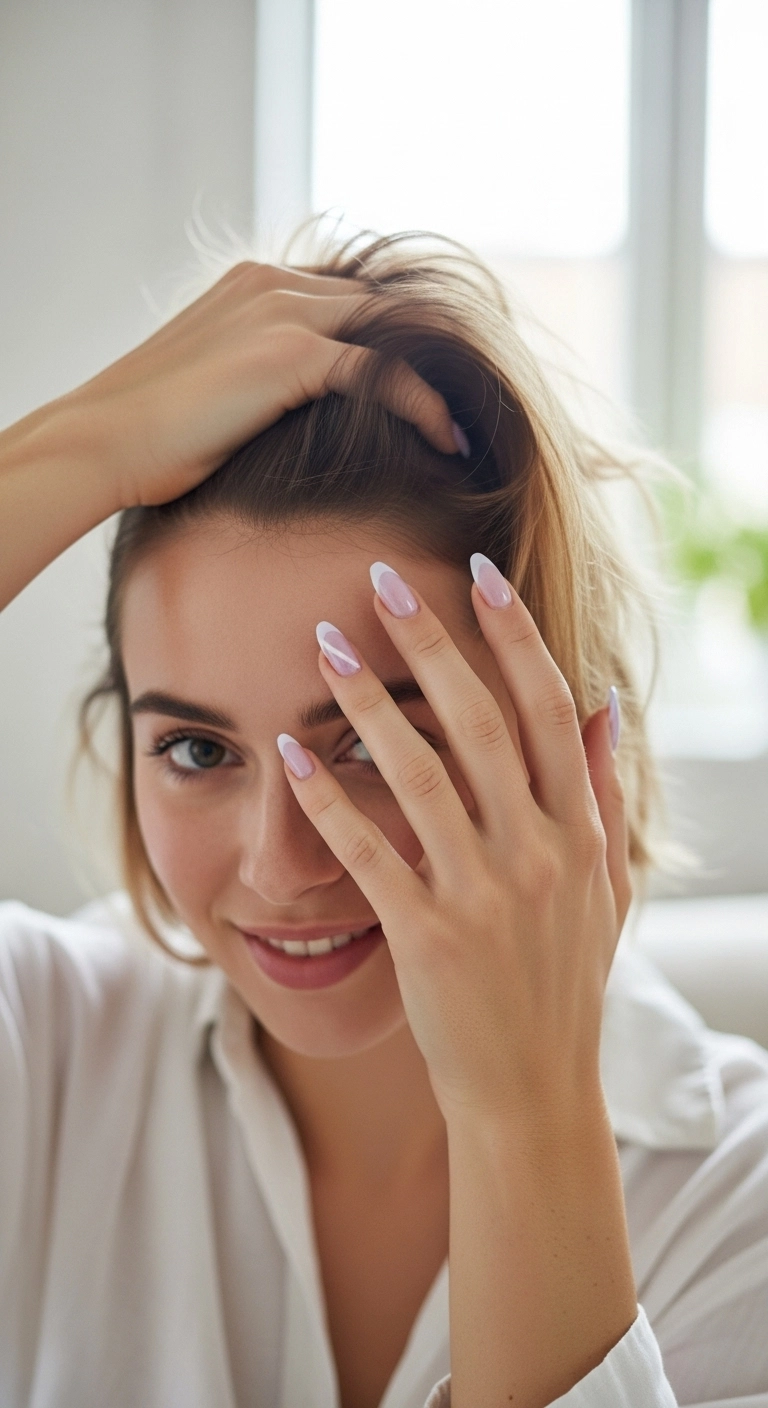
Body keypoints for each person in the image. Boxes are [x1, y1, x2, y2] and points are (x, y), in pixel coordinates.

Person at [0, 232, 766, 1408]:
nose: (282, 863)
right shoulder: (44, 1054)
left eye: (375, 745)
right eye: (198, 749)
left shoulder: (737, 1195)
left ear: (562, 735)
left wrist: (524, 1119)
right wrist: (74, 447)